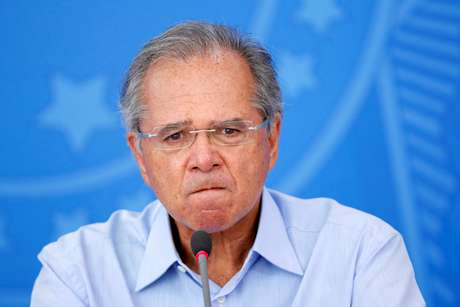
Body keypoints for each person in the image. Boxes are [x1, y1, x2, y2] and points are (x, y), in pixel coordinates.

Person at [31, 21, 425, 306]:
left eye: (229, 131)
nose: (203, 159)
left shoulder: (361, 253)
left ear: (271, 139)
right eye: (174, 137)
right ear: (140, 156)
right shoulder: (79, 274)